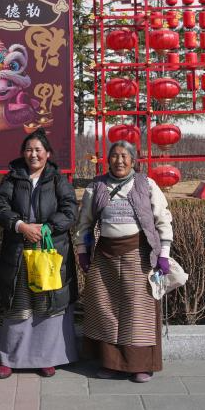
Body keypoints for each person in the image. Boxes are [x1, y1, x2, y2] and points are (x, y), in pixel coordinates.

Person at [74, 140, 174, 383]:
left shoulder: (146, 184)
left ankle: (140, 365)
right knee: (104, 309)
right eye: (114, 156)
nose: (119, 160)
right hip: (104, 255)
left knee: (137, 310)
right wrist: (82, 250)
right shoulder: (96, 186)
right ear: (108, 160)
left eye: (124, 156)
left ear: (133, 160)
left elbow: (163, 219)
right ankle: (111, 363)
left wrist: (164, 253)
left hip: (138, 254)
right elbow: (84, 222)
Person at [0, 129, 78, 378]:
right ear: (23, 153)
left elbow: (70, 209)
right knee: (18, 305)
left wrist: (47, 228)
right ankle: (10, 358)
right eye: (29, 150)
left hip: (49, 247)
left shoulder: (57, 179)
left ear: (47, 153)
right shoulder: (11, 178)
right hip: (18, 249)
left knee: (47, 306)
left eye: (38, 150)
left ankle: (46, 358)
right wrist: (20, 226)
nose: (33, 154)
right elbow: (0, 208)